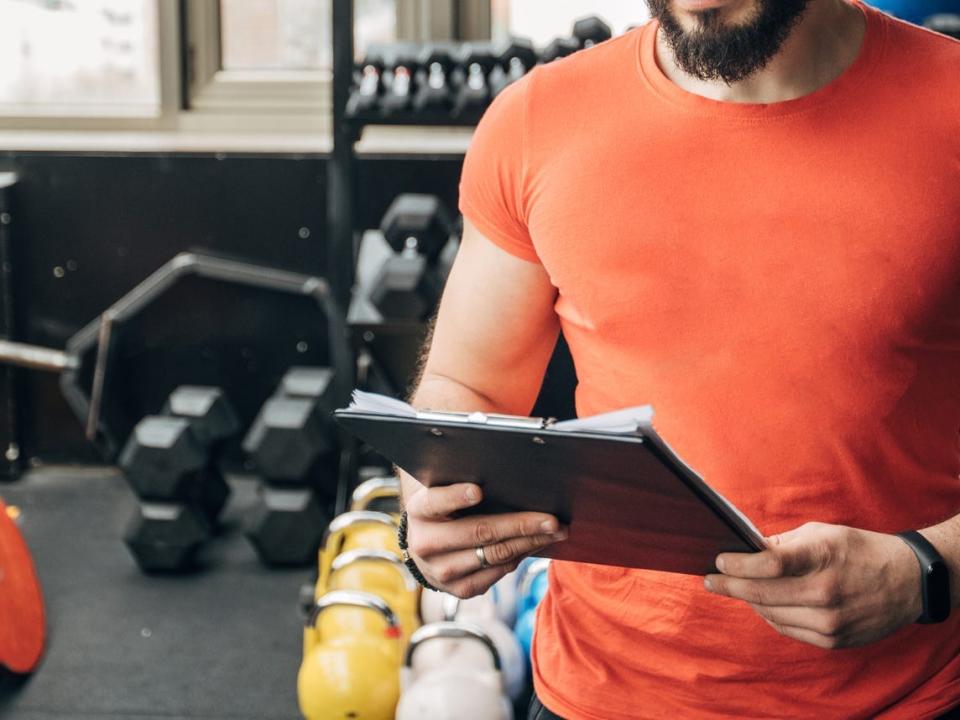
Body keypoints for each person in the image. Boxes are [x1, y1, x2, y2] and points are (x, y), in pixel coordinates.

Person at [397, 0, 960, 717]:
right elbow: (464, 383)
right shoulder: (538, 121)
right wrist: (435, 501)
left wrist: (927, 569)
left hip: (906, 697)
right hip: (596, 691)